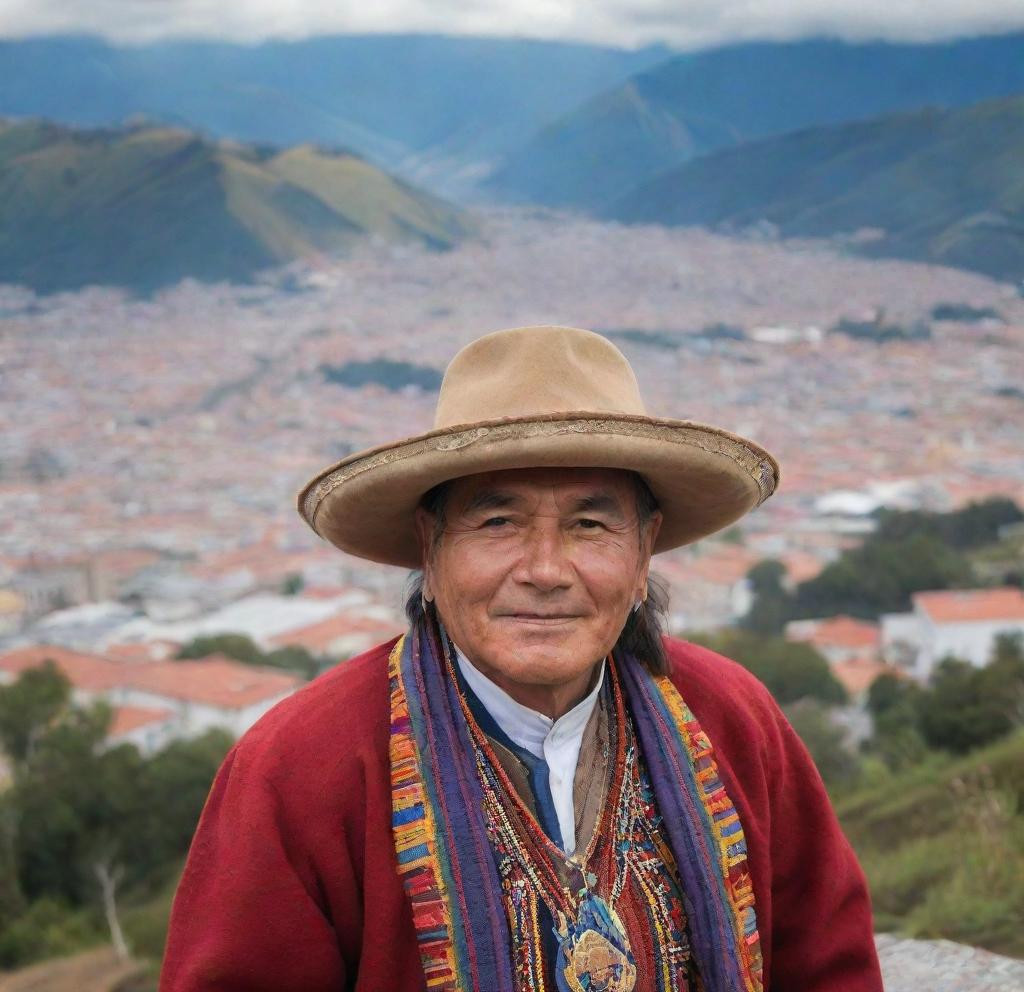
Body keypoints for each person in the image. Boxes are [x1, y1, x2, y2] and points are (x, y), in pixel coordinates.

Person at [161, 326, 883, 991]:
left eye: (590, 524)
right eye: (497, 521)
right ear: (430, 548)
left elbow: (829, 966)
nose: (545, 568)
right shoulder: (304, 768)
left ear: (643, 555)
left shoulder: (730, 717)